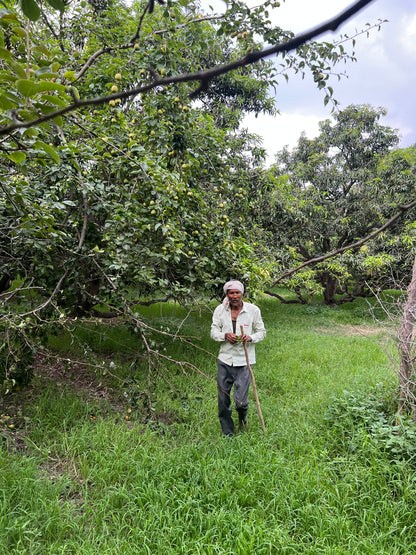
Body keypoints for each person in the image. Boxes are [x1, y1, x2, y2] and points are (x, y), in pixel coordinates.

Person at [210, 280, 266, 436]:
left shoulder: (253, 310)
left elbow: (262, 332)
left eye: (237, 293)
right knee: (223, 401)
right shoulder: (220, 310)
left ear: (242, 293)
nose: (234, 296)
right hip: (225, 360)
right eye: (231, 293)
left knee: (241, 402)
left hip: (244, 361)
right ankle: (228, 433)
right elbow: (213, 333)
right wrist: (224, 335)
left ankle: (243, 418)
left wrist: (250, 338)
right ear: (226, 294)